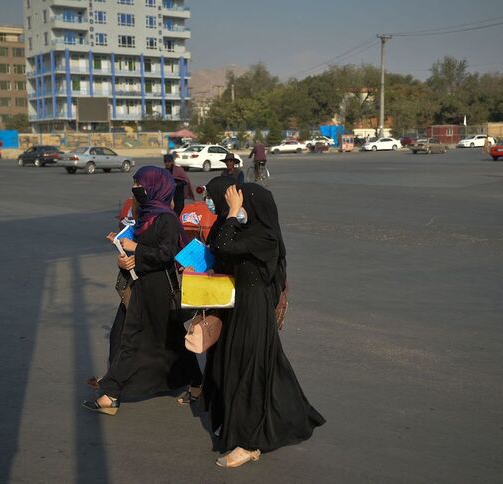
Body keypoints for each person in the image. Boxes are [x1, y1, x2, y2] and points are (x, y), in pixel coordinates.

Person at [202, 182, 325, 468]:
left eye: (243, 203)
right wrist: (229, 216)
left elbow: (224, 244)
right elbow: (219, 247)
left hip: (254, 311)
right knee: (245, 369)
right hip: (239, 308)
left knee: (249, 372)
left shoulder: (264, 238)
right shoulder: (249, 232)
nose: (239, 209)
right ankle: (257, 423)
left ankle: (248, 443)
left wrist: (232, 212)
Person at [83, 166, 202, 415]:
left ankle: (111, 393)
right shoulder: (145, 216)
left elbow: (167, 254)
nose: (136, 188)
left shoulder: (166, 218)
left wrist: (136, 250)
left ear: (156, 186)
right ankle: (197, 382)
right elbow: (138, 252)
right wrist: (124, 259)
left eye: (140, 183)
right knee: (160, 338)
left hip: (157, 287)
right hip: (140, 284)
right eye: (135, 183)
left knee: (132, 338)